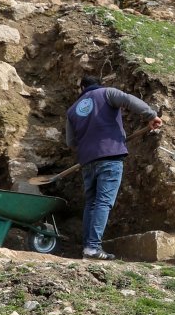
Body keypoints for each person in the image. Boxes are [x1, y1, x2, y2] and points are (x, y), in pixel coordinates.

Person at [66, 75, 162, 260]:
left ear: (82, 88)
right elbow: (128, 100)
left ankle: (88, 247)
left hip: (87, 161)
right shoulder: (107, 93)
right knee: (103, 202)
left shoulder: (72, 110)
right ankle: (93, 247)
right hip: (110, 156)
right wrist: (151, 115)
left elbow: (71, 142)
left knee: (92, 203)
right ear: (98, 84)